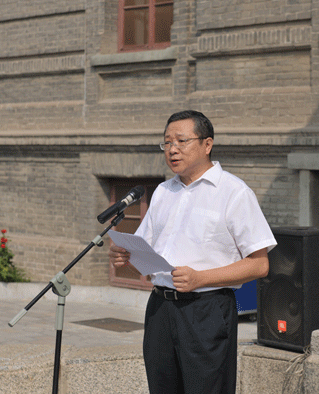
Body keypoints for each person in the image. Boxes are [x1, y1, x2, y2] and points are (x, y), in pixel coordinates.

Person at [109, 110, 276, 393]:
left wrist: (201, 278)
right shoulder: (163, 191)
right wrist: (126, 257)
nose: (172, 149)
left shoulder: (234, 192)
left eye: (181, 141)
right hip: (160, 308)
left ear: (207, 144)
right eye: (167, 142)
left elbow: (259, 265)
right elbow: (147, 258)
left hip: (206, 309)